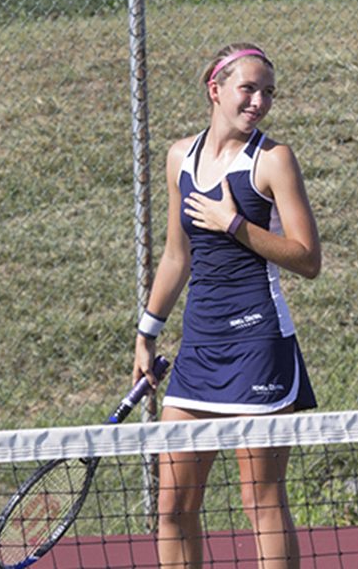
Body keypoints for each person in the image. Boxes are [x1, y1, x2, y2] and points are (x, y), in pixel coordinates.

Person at [133, 42, 321, 569]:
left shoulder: (273, 160)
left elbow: (307, 259)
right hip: (198, 352)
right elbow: (176, 256)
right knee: (172, 507)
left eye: (268, 93)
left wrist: (235, 225)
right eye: (248, 88)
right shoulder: (180, 159)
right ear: (215, 91)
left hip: (259, 347)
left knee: (260, 501)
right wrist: (147, 332)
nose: (259, 101)